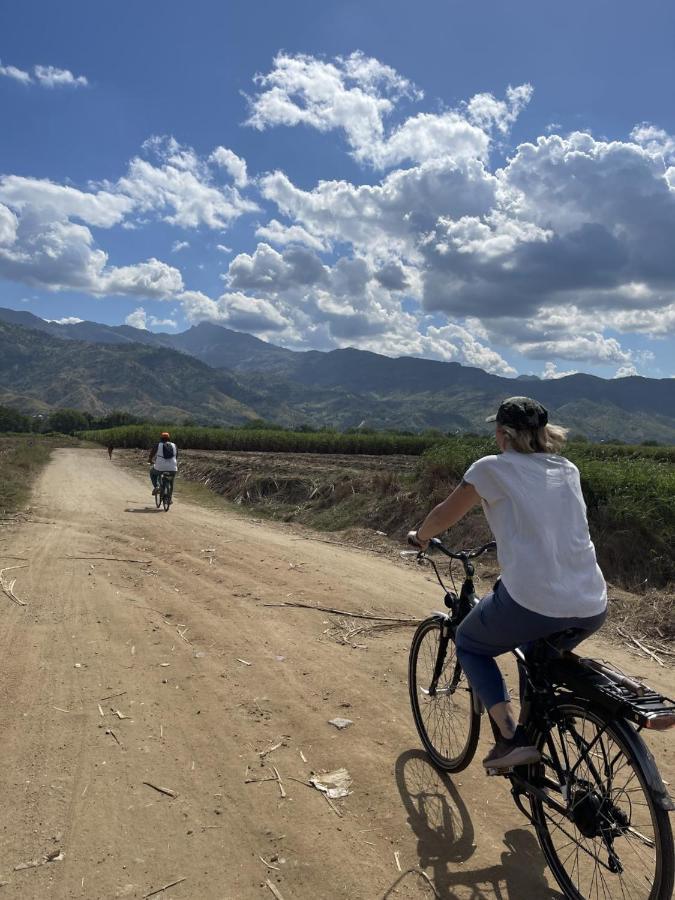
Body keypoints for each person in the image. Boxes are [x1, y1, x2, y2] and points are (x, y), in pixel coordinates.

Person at [407, 397, 607, 771]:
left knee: (469, 643)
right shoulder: (567, 468)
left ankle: (513, 740)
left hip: (533, 601)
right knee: (537, 656)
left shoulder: (491, 469)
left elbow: (444, 515)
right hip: (592, 603)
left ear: (502, 434)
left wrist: (420, 536)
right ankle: (540, 732)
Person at [148, 431, 178, 496]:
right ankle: (169, 498)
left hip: (160, 467)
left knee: (152, 472)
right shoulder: (174, 445)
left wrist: (150, 460)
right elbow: (176, 456)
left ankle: (157, 486)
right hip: (173, 468)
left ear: (161, 438)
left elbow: (151, 454)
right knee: (171, 482)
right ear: (169, 438)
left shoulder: (158, 445)